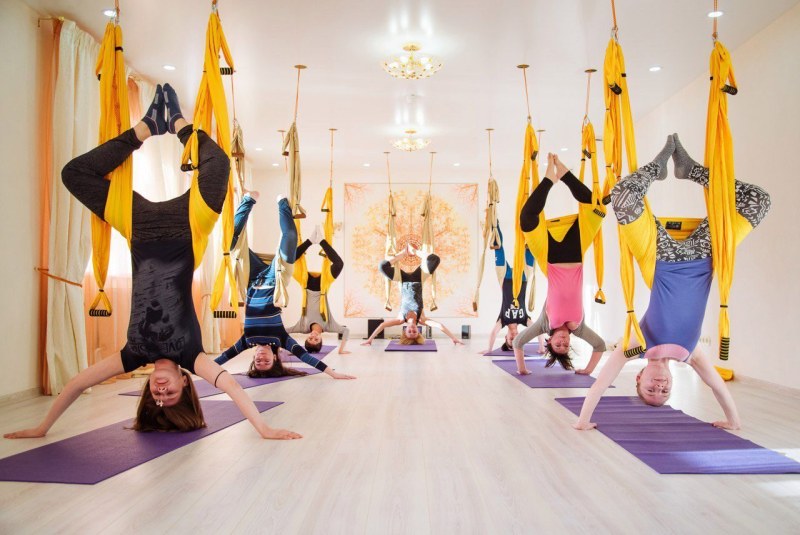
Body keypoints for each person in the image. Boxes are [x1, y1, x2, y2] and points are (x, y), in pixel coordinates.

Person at [5, 84, 300, 440]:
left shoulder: (132, 355)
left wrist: (42, 427)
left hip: (139, 227)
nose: (161, 390)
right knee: (218, 163)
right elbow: (235, 390)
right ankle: (177, 123)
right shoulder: (193, 355)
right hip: (188, 226)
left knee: (74, 175)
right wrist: (264, 428)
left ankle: (144, 128)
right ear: (184, 383)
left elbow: (76, 383)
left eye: (156, 395)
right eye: (170, 394)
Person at [573, 134, 771, 431]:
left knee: (623, 193)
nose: (659, 387)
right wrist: (734, 421)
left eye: (651, 390)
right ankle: (693, 171)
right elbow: (718, 387)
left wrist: (582, 421)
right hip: (706, 255)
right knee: (759, 200)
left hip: (660, 260)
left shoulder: (634, 345)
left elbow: (601, 383)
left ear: (638, 379)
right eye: (665, 392)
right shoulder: (691, 354)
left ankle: (657, 167)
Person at [214, 192, 355, 380]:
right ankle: (282, 202)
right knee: (290, 236)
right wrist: (332, 373)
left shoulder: (246, 341)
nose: (262, 359)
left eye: (258, 362)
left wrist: (191, 370)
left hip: (251, 278)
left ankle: (248, 200)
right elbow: (305, 357)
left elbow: (221, 358)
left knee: (231, 243)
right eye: (266, 362)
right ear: (275, 357)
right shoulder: (280, 338)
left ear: (253, 357)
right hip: (276, 278)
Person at [512, 153, 606, 374]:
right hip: (575, 253)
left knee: (526, 218)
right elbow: (600, 346)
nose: (563, 342)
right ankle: (564, 174)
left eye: (558, 345)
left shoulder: (544, 325)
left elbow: (518, 343)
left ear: (550, 341)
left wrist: (522, 369)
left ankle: (548, 179)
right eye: (566, 346)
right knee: (597, 207)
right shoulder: (580, 328)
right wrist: (588, 371)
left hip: (551, 257)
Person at [362, 245, 463, 346]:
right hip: (418, 278)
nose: (412, 330)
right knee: (435, 259)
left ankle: (402, 254)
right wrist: (453, 338)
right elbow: (439, 326)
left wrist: (370, 339)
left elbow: (382, 325)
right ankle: (414, 251)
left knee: (382, 266)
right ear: (418, 332)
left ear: (405, 331)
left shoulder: (400, 319)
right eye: (414, 332)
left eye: (409, 332)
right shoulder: (422, 319)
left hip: (403, 280)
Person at [287, 225, 351, 354]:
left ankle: (310, 241)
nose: (313, 336)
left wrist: (288, 349)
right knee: (339, 264)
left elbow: (282, 332)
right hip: (322, 285)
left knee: (288, 262)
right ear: (321, 340)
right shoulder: (329, 327)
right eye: (316, 340)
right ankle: (321, 240)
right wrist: (341, 350)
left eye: (310, 339)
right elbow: (346, 331)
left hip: (306, 284)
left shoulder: (302, 327)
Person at [480, 226, 545, 354]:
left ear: (506, 337)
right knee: (531, 247)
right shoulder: (524, 319)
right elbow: (538, 329)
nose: (514, 337)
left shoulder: (503, 320)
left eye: (511, 340)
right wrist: (541, 346)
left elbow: (493, 332)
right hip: (523, 277)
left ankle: (494, 220)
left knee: (498, 248)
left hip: (505, 278)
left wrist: (489, 349)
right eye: (517, 340)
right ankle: (529, 224)